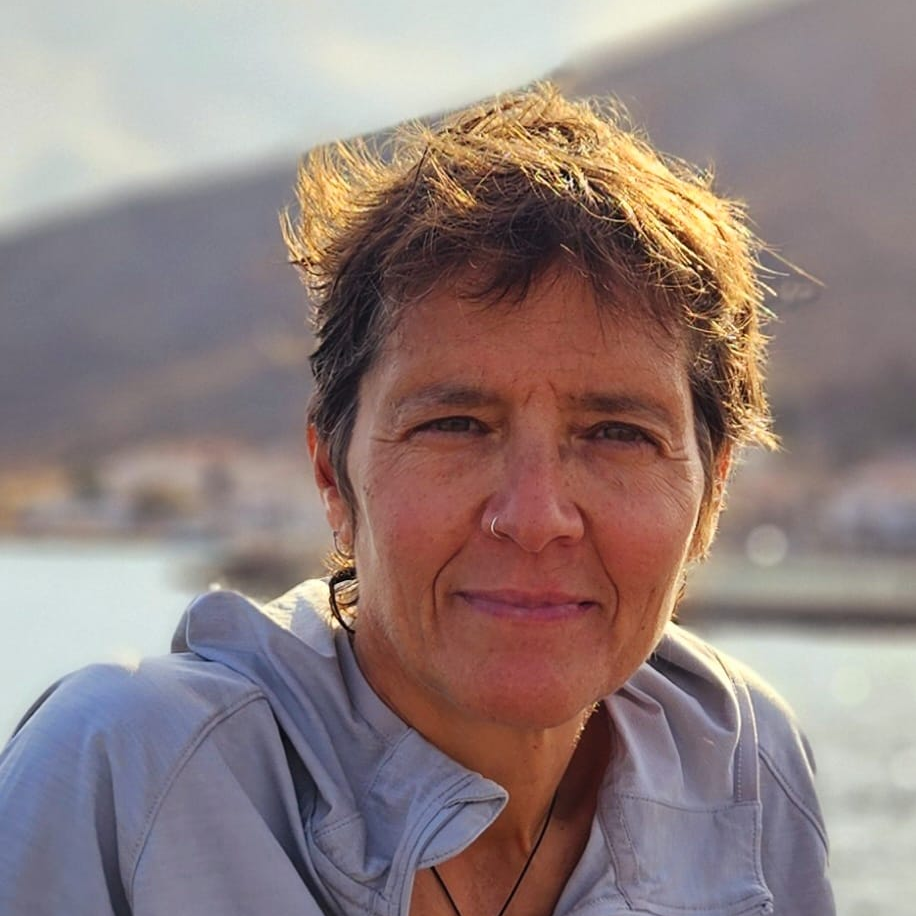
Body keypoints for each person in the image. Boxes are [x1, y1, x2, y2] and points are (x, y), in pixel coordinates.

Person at [0, 83, 834, 915]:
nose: (535, 517)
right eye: (456, 426)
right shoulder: (127, 780)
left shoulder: (745, 770)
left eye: (617, 434)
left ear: (713, 488)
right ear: (333, 475)